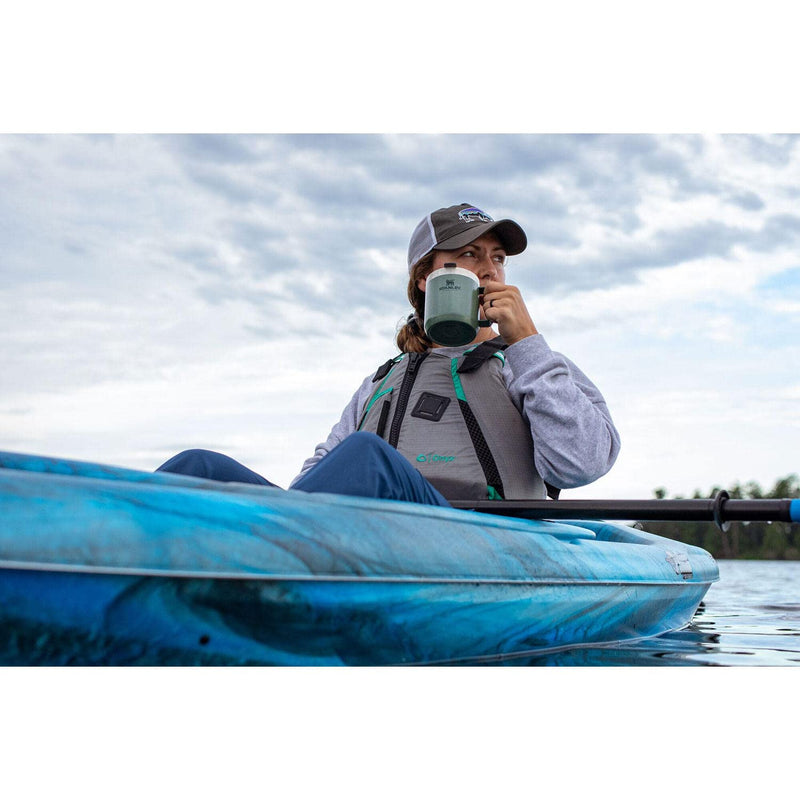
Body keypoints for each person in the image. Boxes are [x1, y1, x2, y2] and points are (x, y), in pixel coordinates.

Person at [158, 203, 620, 506]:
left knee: (366, 455)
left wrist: (526, 343)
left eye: (497, 257)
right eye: (469, 255)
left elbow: (580, 464)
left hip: (486, 539)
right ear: (426, 278)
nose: (490, 269)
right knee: (196, 467)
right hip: (369, 540)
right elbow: (314, 480)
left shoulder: (533, 362)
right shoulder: (382, 380)